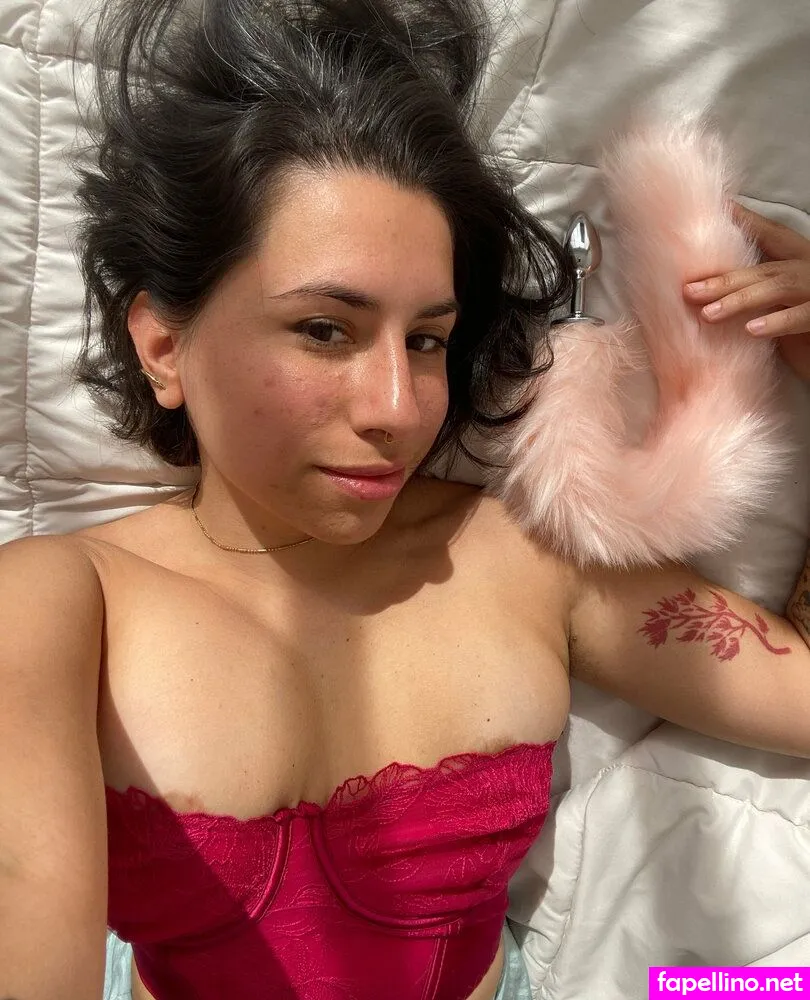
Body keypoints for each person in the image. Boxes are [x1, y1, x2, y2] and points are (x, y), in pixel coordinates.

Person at [1, 0, 809, 998]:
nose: (399, 407)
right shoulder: (58, 606)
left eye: (427, 339)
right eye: (324, 330)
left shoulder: (522, 558)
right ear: (164, 346)